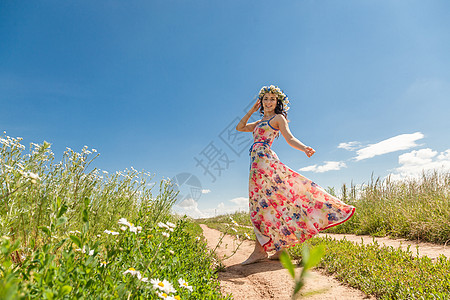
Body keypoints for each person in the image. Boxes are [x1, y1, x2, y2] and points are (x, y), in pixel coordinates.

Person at [235, 85, 356, 265]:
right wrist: (252, 110)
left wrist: (304, 148)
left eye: (272, 99)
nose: (268, 102)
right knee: (267, 203)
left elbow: (290, 138)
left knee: (269, 202)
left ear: (277, 102)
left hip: (266, 162)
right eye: (265, 99)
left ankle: (259, 251)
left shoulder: (278, 118)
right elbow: (239, 127)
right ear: (261, 101)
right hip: (256, 164)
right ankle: (278, 248)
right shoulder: (258, 123)